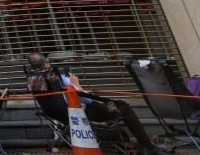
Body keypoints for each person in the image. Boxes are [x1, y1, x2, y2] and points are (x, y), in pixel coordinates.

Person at [26, 52, 163, 155]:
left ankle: (125, 140)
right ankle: (147, 147)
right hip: (83, 113)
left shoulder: (33, 82)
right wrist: (77, 85)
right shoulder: (58, 79)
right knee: (124, 107)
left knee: (113, 107)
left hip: (62, 117)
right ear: (46, 63)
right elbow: (85, 99)